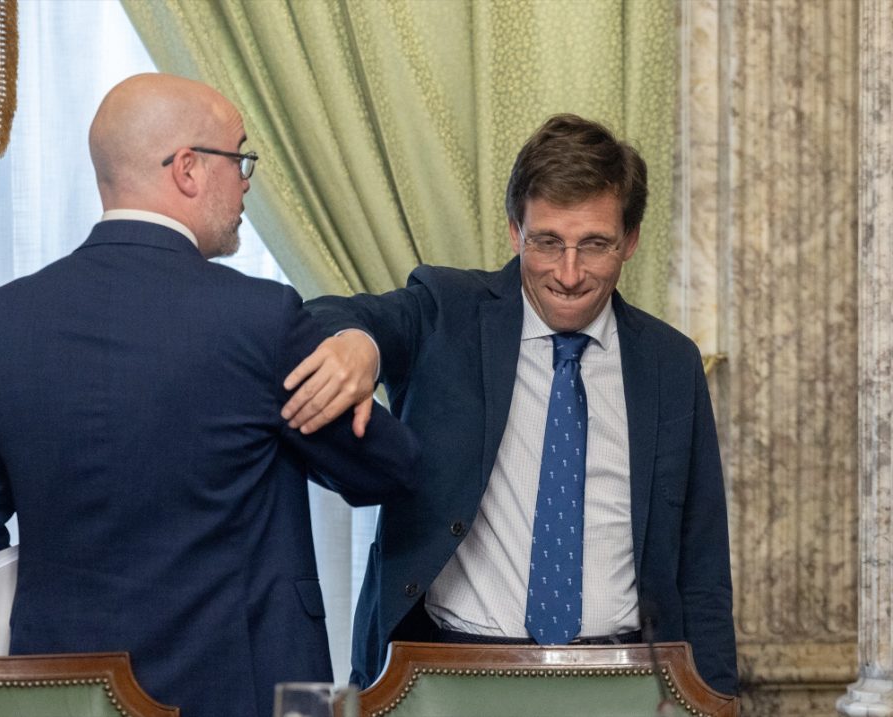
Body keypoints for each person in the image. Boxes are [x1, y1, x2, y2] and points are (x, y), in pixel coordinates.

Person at [0, 73, 420, 717]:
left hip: (68, 695)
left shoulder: (4, 319)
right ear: (187, 168)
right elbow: (390, 467)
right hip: (248, 693)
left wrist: (37, 627)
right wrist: (359, 349)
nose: (245, 181)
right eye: (239, 157)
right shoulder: (259, 319)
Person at [281, 114, 738, 695]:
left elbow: (702, 566)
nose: (568, 273)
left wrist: (717, 701)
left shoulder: (671, 364)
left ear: (630, 240)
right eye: (547, 241)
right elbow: (327, 317)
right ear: (515, 231)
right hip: (451, 671)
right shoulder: (446, 311)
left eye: (594, 244)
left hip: (623, 679)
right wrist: (359, 344)